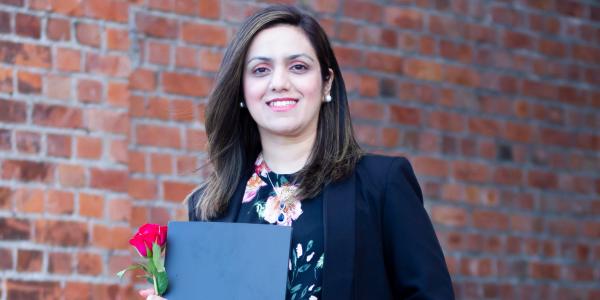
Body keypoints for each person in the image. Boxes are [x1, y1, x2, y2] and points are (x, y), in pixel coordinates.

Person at [140, 5, 454, 300]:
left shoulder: (381, 185)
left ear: (326, 82)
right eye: (261, 70)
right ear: (241, 90)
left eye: (298, 66)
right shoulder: (209, 208)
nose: (279, 82)